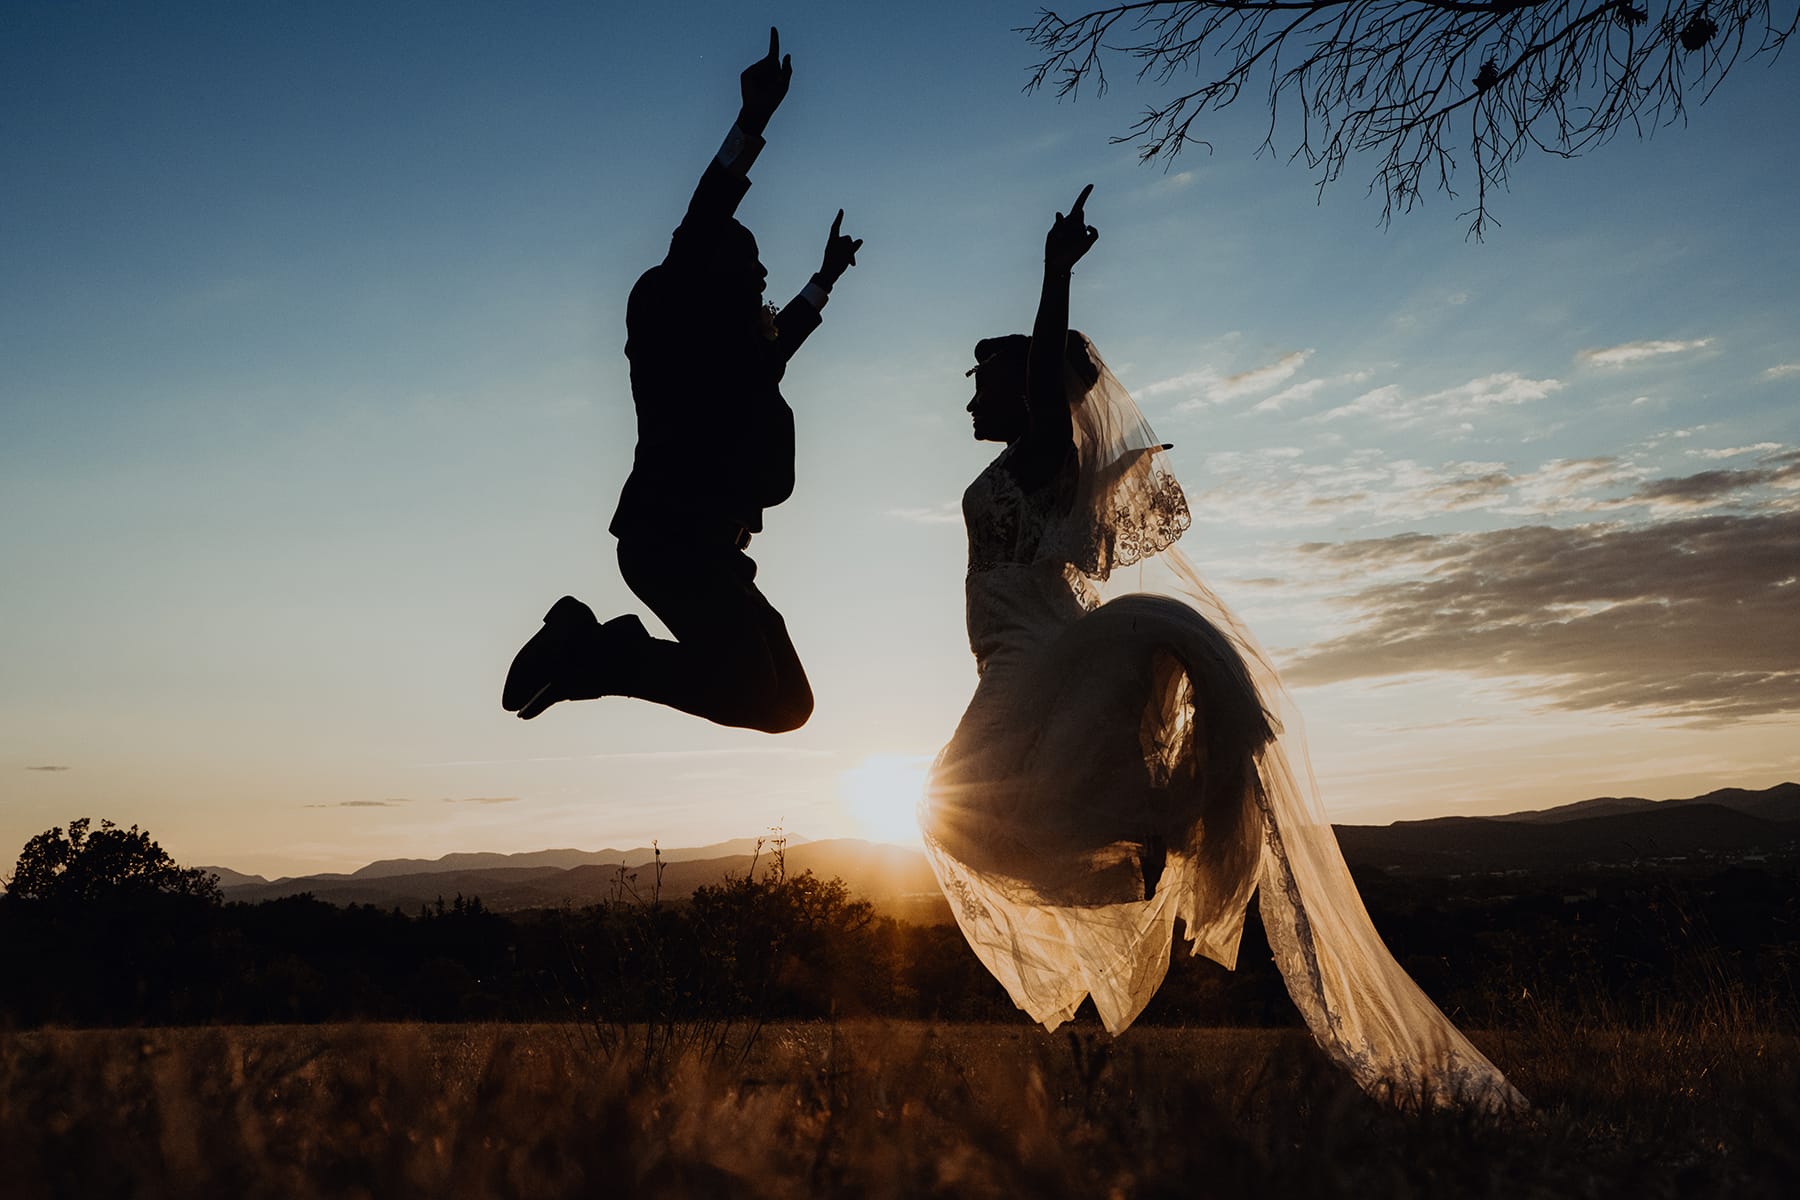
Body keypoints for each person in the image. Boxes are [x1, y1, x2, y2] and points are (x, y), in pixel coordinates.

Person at [918, 185, 1525, 1112]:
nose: (972, 398)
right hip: (1011, 655)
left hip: (1039, 655)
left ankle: (1155, 835)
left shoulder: (1046, 456)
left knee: (957, 811)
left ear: (1031, 393)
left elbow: (1046, 381)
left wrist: (1053, 272)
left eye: (985, 384)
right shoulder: (1013, 468)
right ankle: (1140, 856)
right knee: (980, 818)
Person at [502, 29, 861, 733]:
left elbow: (781, 337)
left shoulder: (738, 358)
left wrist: (824, 281)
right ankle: (599, 654)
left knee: (791, 705)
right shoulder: (671, 318)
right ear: (710, 271)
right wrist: (752, 121)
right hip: (670, 543)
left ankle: (603, 654)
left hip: (716, 554)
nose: (763, 275)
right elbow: (704, 217)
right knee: (759, 696)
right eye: (751, 261)